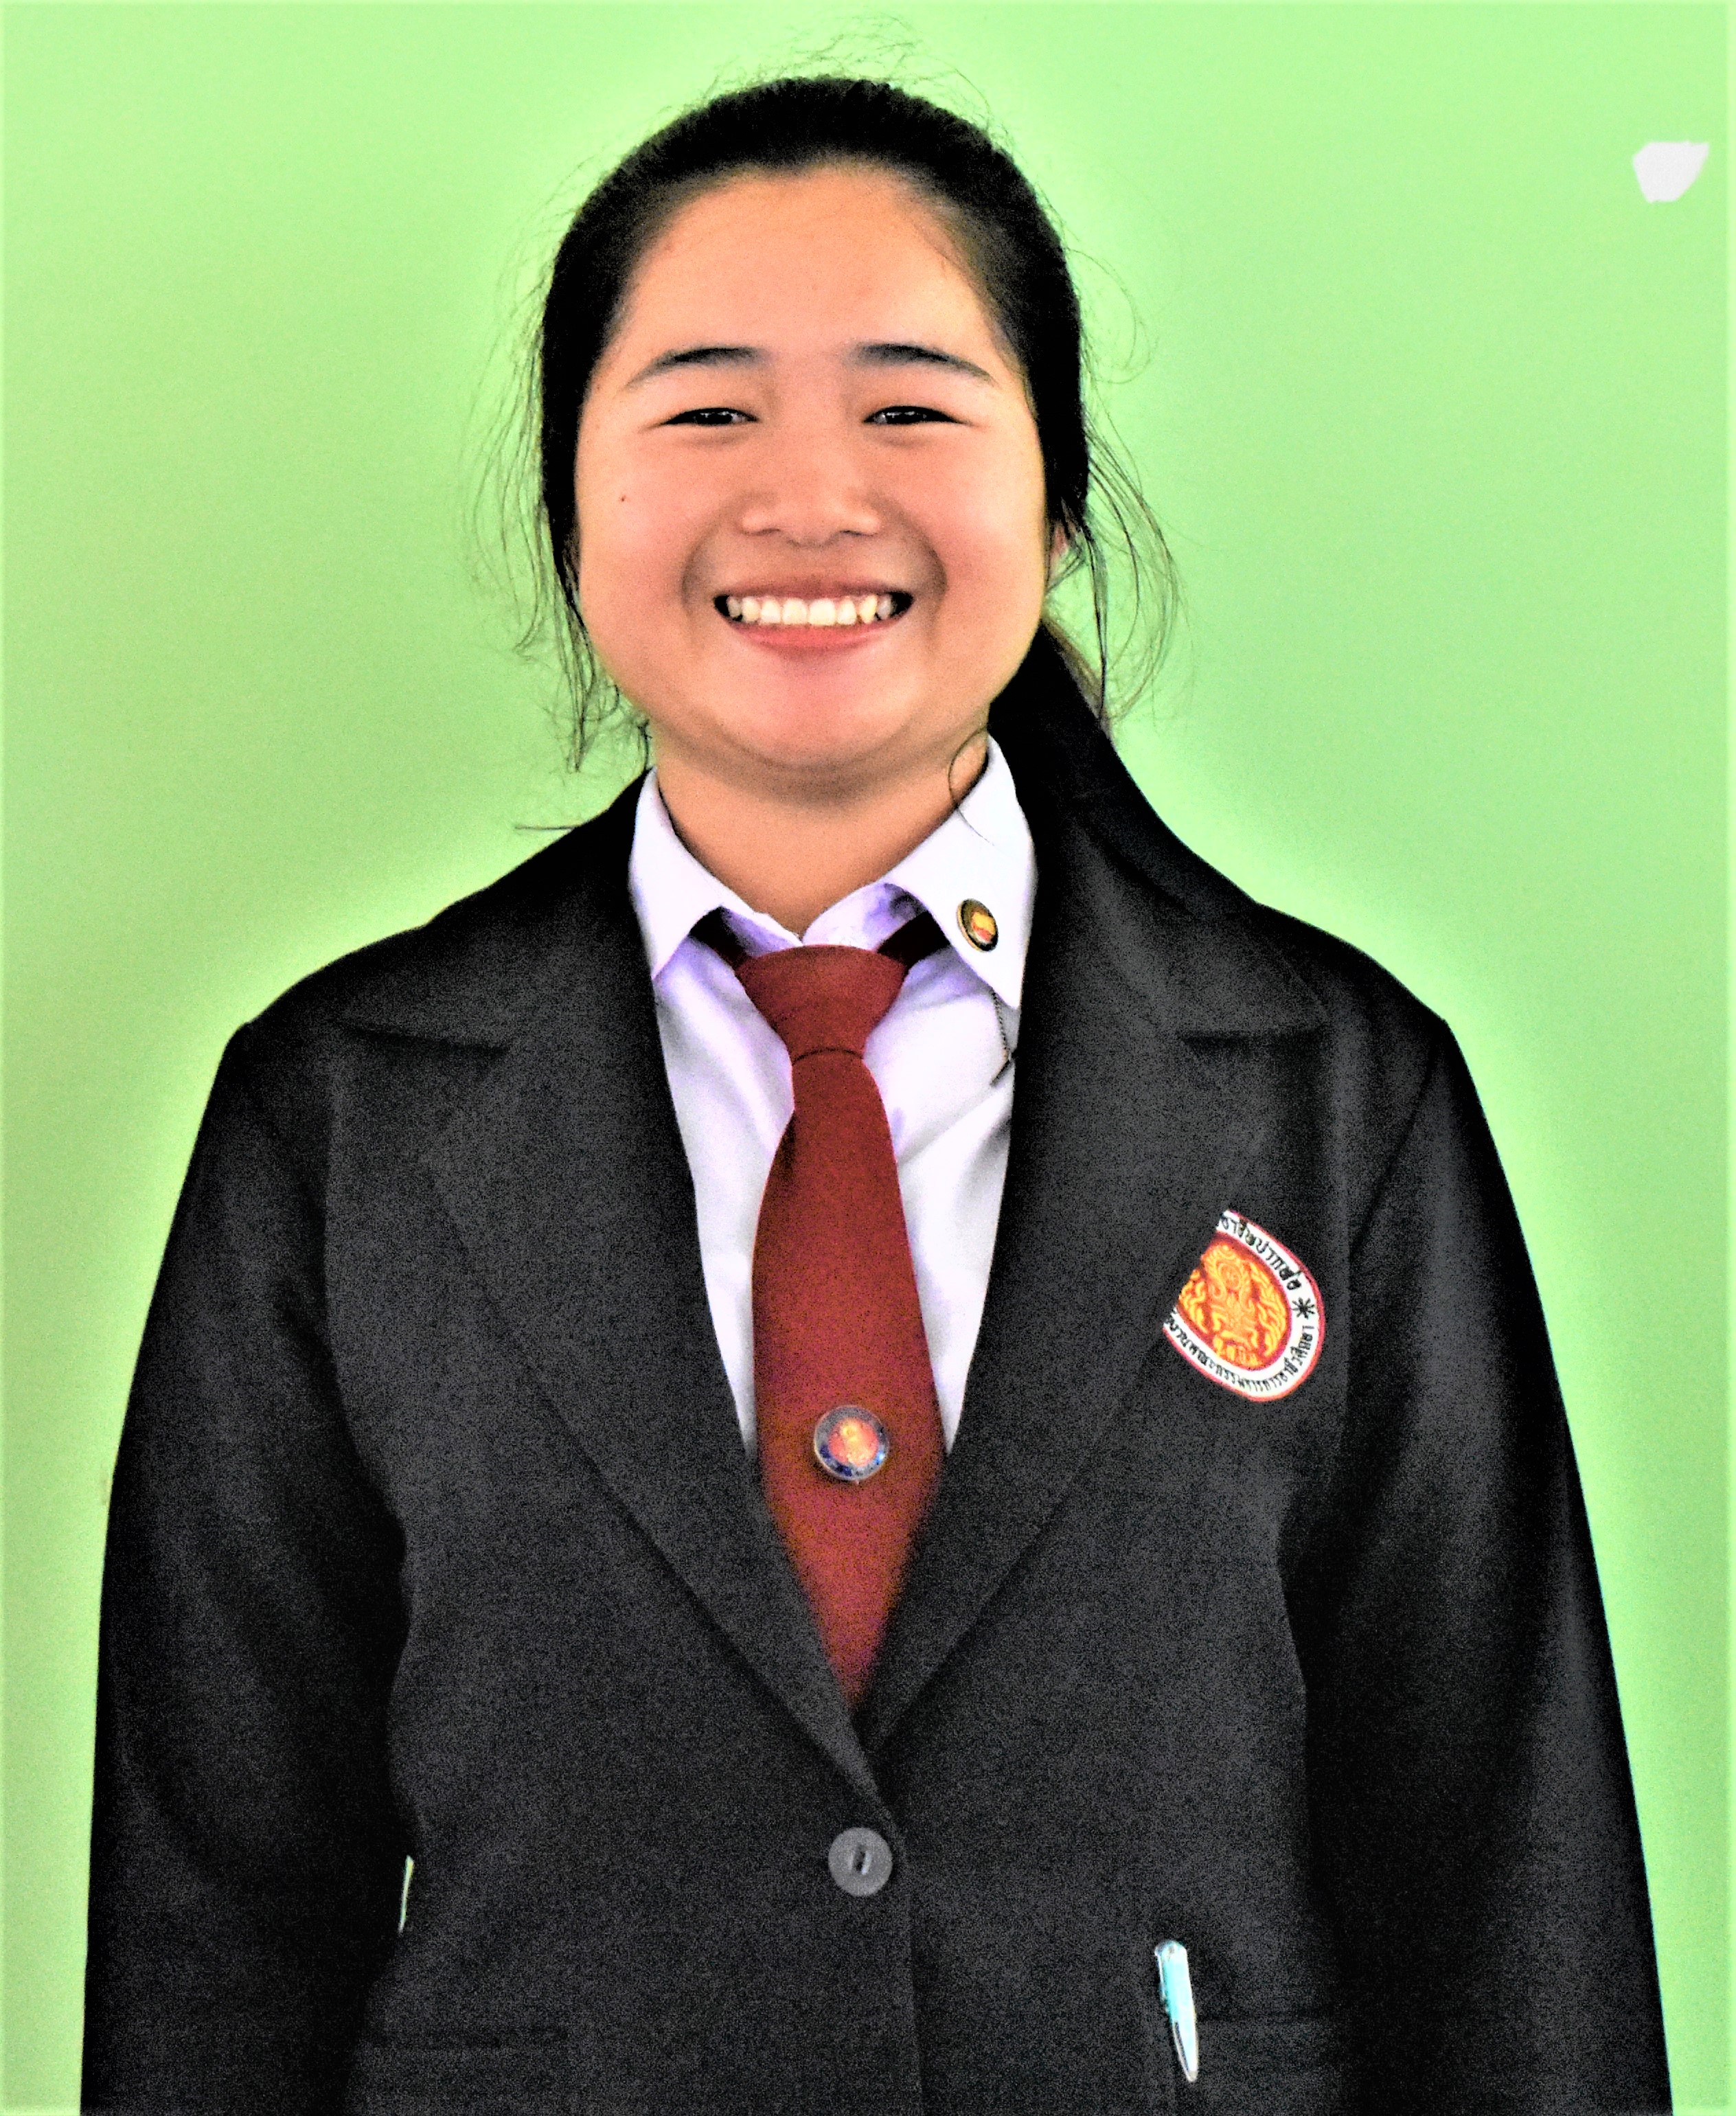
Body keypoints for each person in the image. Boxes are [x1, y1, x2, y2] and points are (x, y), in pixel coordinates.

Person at [82, 74, 1671, 2116]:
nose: (812, 497)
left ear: (1059, 497)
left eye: (912, 407)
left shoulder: (1333, 1097)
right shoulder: (344, 1116)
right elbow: (211, 1925)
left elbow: (1510, 1886)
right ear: (571, 511)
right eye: (706, 412)